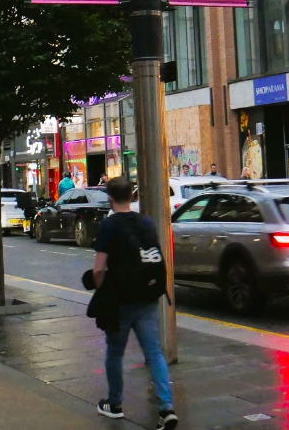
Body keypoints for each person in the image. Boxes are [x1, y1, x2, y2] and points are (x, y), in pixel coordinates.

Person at [91, 176, 177, 430]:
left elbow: (98, 270)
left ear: (110, 197)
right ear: (132, 196)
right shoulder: (146, 223)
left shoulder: (108, 226)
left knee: (115, 352)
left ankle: (115, 404)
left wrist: (102, 291)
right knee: (154, 352)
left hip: (121, 300)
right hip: (147, 297)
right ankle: (167, 408)